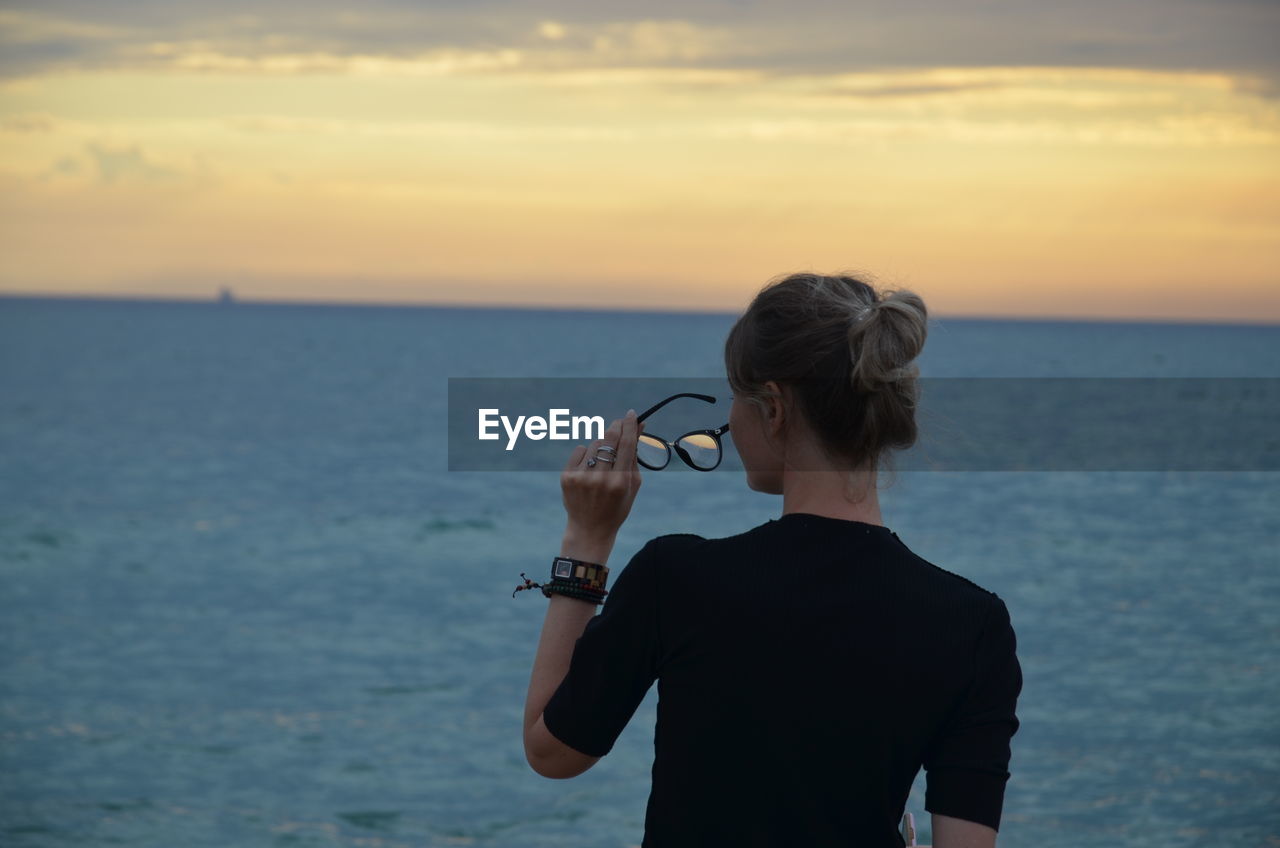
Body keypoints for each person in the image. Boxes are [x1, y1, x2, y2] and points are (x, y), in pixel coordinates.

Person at [521, 272, 1023, 847]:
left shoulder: (678, 578)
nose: (730, 422)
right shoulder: (973, 623)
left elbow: (549, 750)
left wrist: (586, 539)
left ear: (775, 407)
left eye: (736, 394)